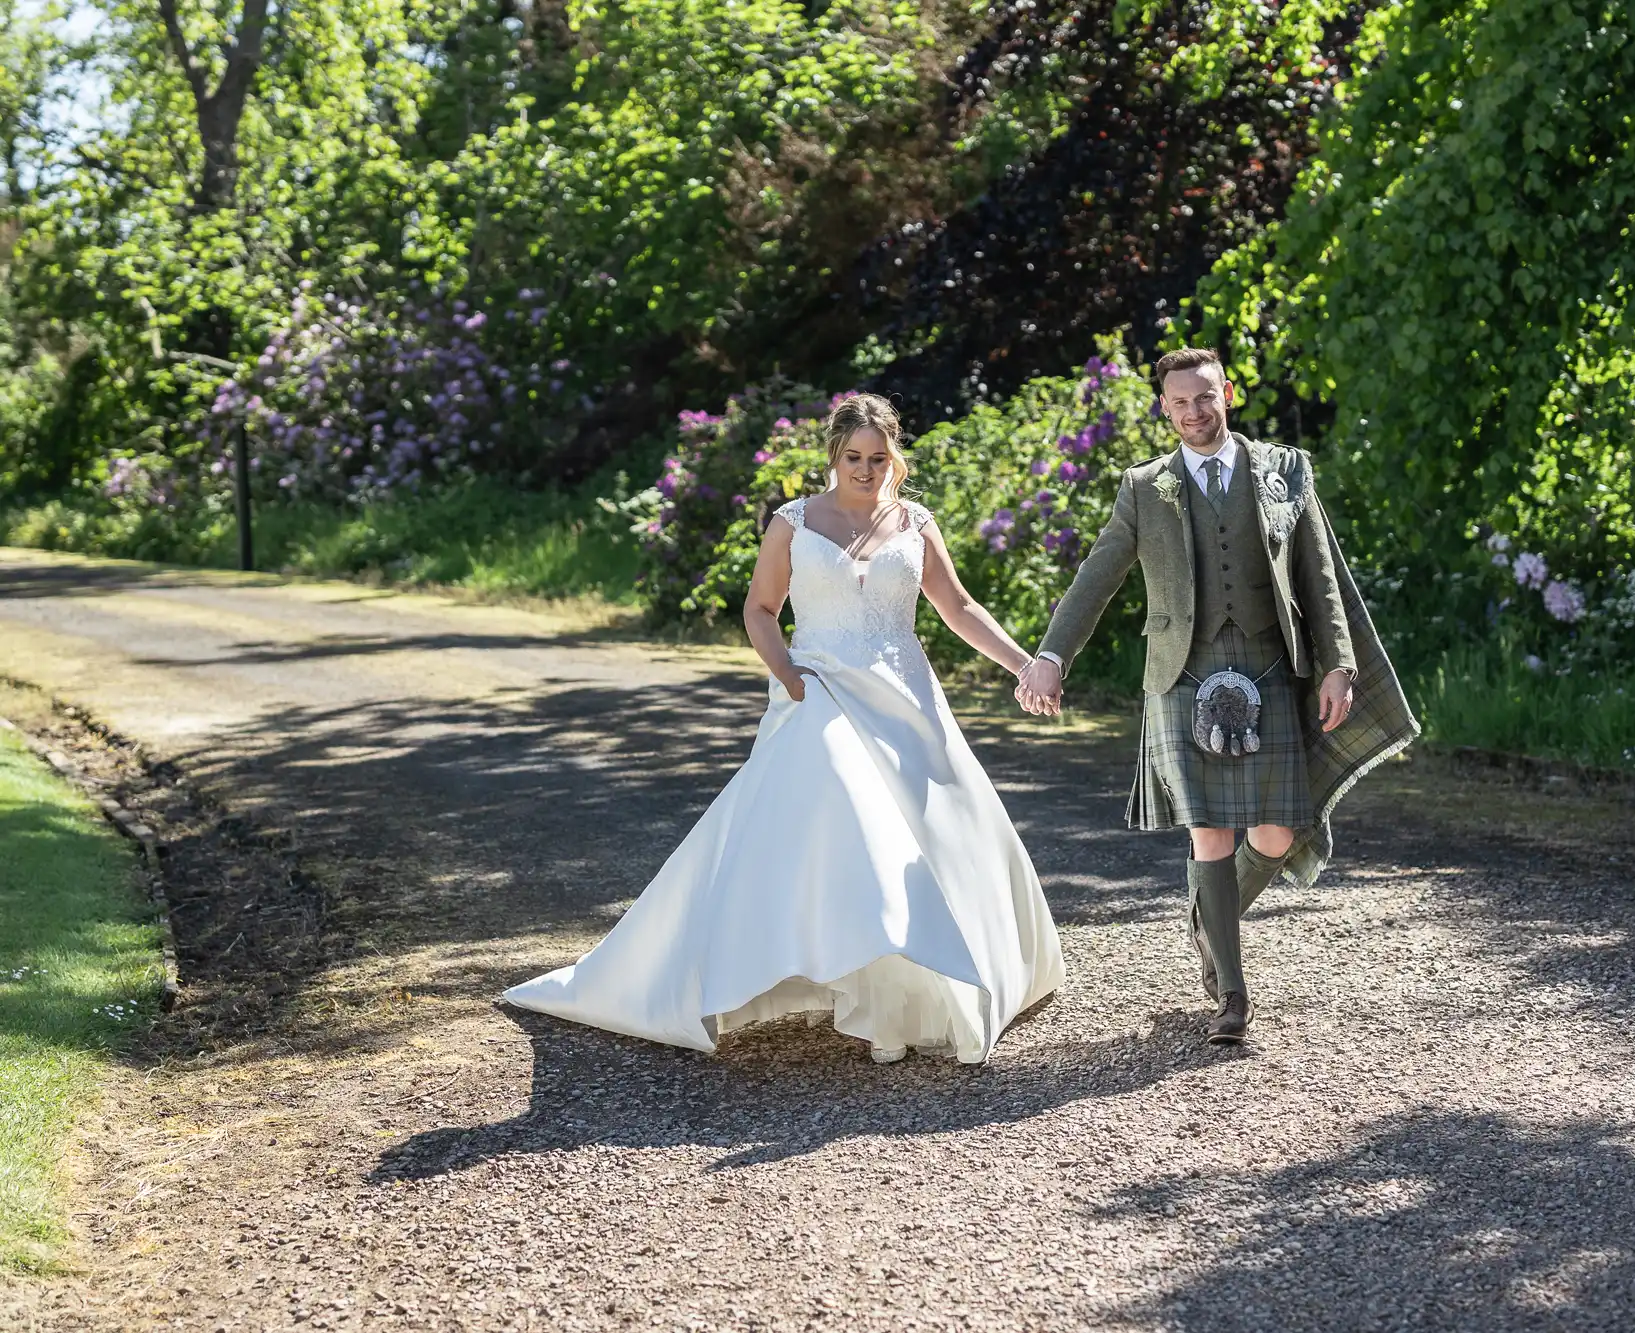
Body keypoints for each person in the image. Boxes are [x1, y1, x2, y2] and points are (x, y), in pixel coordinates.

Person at [506, 394, 1065, 1064]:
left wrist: (1026, 663)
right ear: (833, 455)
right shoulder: (793, 523)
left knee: (933, 832)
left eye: (877, 458)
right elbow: (761, 610)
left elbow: (960, 606)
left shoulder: (915, 521)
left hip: (904, 698)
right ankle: (853, 995)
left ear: (895, 457)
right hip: (820, 693)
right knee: (854, 827)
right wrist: (794, 681)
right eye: (853, 457)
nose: (865, 469)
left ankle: (900, 1003)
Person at [1016, 348, 1417, 1045]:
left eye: (1204, 397)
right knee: (1211, 830)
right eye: (1180, 402)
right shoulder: (1145, 486)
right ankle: (1231, 994)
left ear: (1225, 392)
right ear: (1164, 409)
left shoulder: (1284, 469)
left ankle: (1209, 916)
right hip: (1184, 672)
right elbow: (1097, 575)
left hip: (1270, 664)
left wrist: (1338, 663)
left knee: (1277, 832)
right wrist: (1051, 656)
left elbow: (1319, 572)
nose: (1194, 412)